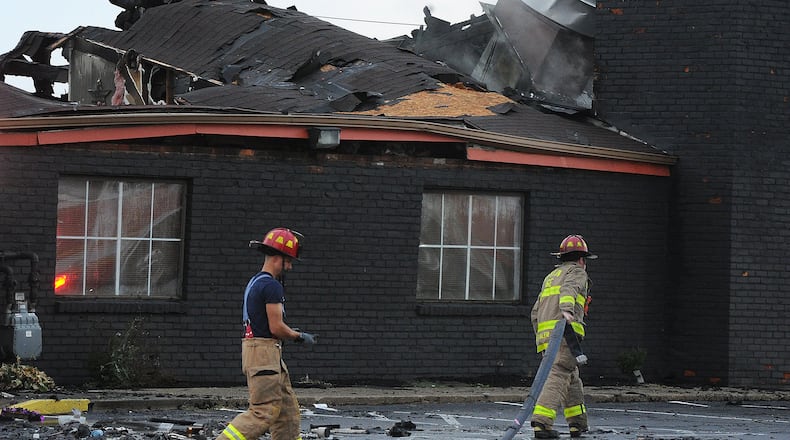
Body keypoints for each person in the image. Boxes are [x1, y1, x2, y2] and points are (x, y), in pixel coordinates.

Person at [217, 227, 318, 440]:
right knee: (262, 412)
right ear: (277, 258)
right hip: (264, 355)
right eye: (288, 261)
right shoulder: (271, 286)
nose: (289, 267)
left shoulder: (255, 281)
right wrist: (298, 336)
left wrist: (289, 333)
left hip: (264, 353)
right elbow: (276, 327)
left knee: (287, 413)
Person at [529, 234, 595, 439]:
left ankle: (577, 423)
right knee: (558, 374)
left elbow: (535, 311)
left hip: (546, 337)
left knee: (571, 376)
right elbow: (569, 290)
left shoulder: (551, 277)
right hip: (565, 335)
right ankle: (542, 423)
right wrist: (567, 310)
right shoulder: (577, 272)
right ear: (582, 260)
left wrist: (541, 336)